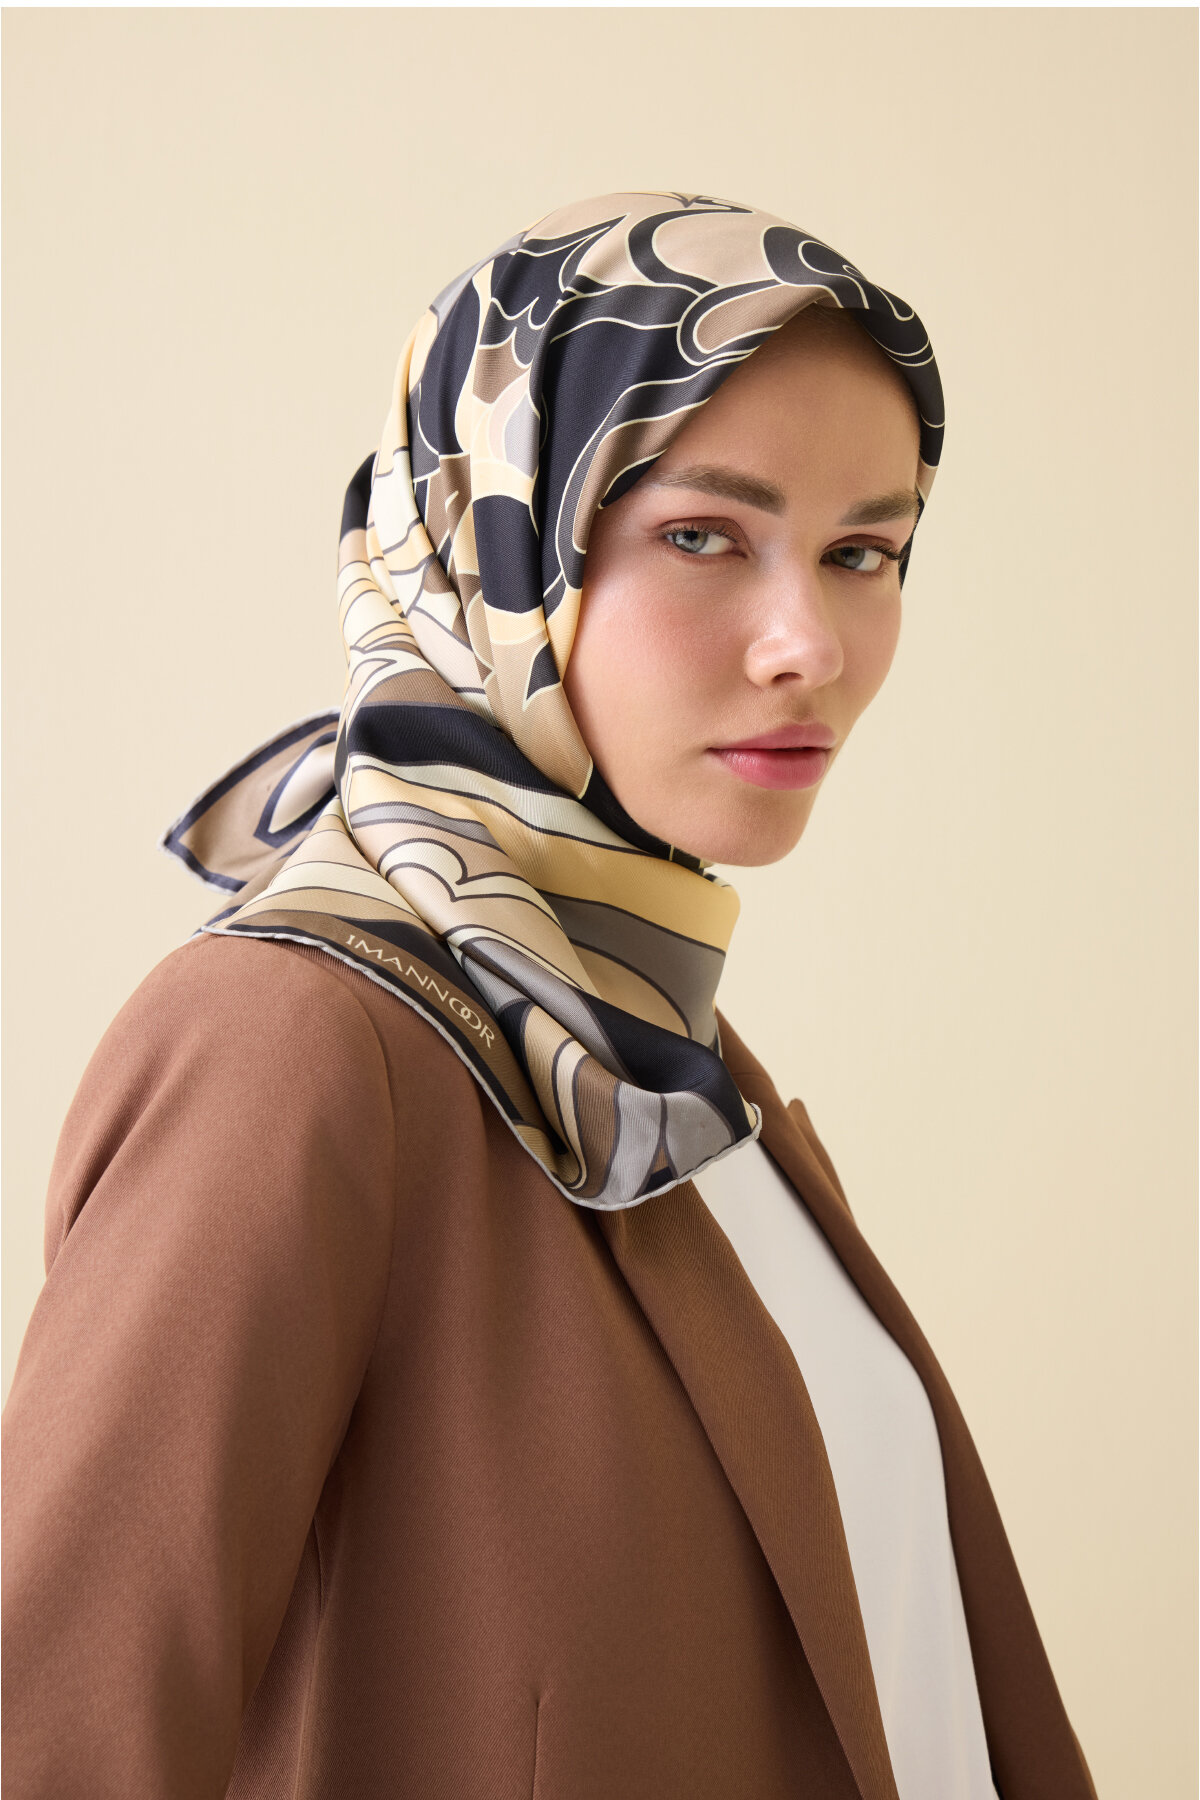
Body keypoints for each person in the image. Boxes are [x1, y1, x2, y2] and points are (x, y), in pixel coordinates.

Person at [2, 190, 1098, 1799]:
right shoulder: (296, 1043)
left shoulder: (653, 1062)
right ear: (497, 540)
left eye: (863, 552)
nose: (809, 644)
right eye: (703, 535)